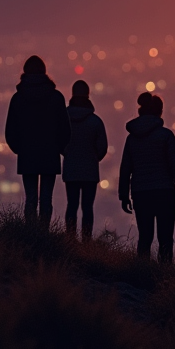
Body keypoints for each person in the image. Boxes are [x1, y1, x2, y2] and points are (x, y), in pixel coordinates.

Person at [118, 92, 175, 264]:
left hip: (140, 193)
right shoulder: (166, 136)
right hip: (164, 192)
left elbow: (125, 169)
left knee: (145, 238)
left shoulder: (132, 138)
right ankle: (164, 276)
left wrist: (124, 195)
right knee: (165, 240)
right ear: (160, 112)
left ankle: (141, 273)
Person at [4, 55, 70, 227]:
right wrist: (59, 148)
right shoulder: (56, 97)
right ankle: (44, 233)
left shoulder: (18, 98)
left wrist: (20, 149)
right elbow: (65, 129)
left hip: (27, 154)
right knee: (46, 198)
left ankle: (31, 233)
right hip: (50, 153)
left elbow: (10, 131)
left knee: (31, 198)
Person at [60, 80, 108, 240]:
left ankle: (70, 239)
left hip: (71, 168)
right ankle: (86, 241)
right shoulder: (96, 121)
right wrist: (93, 158)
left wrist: (68, 154)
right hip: (90, 170)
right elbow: (102, 148)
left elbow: (59, 142)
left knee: (71, 205)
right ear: (88, 95)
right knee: (87, 208)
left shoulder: (64, 119)